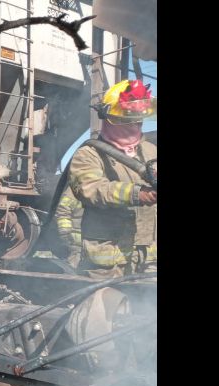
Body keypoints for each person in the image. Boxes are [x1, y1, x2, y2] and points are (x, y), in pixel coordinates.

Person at [68, 79, 157, 279]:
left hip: (148, 254)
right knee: (103, 304)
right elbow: (90, 189)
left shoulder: (151, 151)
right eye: (129, 117)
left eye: (139, 117)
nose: (136, 123)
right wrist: (137, 194)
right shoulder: (89, 153)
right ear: (111, 118)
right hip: (108, 256)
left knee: (146, 307)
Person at [54, 185, 83, 270]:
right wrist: (65, 233)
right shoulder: (74, 190)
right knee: (74, 264)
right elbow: (63, 210)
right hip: (77, 238)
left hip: (93, 237)